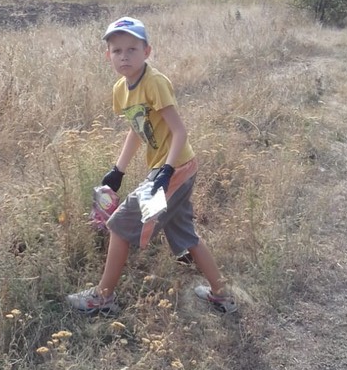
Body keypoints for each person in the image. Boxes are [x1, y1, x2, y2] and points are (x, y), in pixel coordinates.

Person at [66, 16, 237, 315]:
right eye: (117, 51)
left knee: (119, 225)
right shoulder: (121, 89)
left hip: (175, 170)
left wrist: (166, 172)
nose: (124, 56)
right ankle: (222, 296)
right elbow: (137, 129)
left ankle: (103, 298)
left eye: (132, 49)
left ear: (147, 51)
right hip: (175, 169)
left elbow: (180, 131)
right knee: (186, 235)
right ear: (108, 56)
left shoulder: (154, 83)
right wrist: (118, 170)